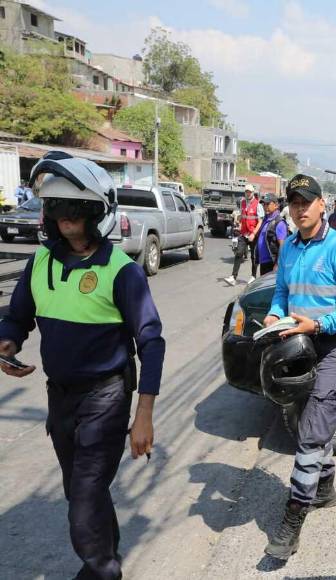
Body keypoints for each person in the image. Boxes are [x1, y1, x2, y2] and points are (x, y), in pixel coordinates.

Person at [0, 151, 165, 580]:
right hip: (60, 398)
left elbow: (151, 342)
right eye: (56, 207)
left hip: (105, 398)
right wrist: (8, 341)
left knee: (84, 502)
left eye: (74, 208)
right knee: (82, 493)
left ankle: (102, 571)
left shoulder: (122, 271)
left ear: (96, 212)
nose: (65, 217)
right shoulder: (40, 262)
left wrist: (144, 414)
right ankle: (106, 561)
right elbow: (17, 316)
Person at [262, 173, 336, 560]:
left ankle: (293, 518)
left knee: (310, 433)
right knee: (309, 420)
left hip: (331, 346)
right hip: (297, 345)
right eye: (294, 202)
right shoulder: (289, 246)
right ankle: (324, 487)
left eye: (307, 201)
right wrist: (275, 316)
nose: (300, 208)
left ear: (322, 205)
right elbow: (281, 292)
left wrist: (319, 325)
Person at [225, 183, 263, 285]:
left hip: (253, 234)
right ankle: (233, 277)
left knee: (254, 257)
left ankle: (253, 276)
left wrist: (254, 234)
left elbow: (260, 221)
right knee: (238, 253)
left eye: (249, 192)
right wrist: (239, 222)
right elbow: (243, 216)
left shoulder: (258, 205)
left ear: (253, 193)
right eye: (246, 192)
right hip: (244, 233)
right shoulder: (243, 203)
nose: (248, 193)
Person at [256, 192, 288, 275]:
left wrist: (277, 264)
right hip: (263, 263)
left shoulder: (279, 222)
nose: (265, 206)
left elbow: (282, 246)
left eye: (268, 204)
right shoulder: (265, 219)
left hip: (272, 263)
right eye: (264, 204)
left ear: (276, 205)